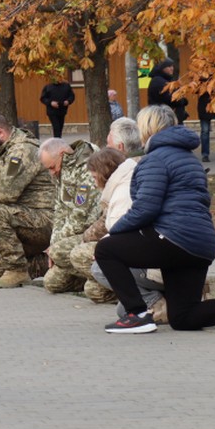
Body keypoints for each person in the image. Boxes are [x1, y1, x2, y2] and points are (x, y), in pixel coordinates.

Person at [95, 105, 215, 333]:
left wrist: (115, 232)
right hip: (199, 244)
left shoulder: (155, 159)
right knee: (184, 317)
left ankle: (137, 315)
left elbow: (145, 208)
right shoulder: (189, 158)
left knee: (106, 249)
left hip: (174, 238)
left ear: (147, 128)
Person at [0, 110, 54, 288]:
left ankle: (17, 270)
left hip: (44, 219)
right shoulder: (1, 152)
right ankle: (46, 262)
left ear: (0, 132)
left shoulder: (22, 151)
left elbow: (7, 192)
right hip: (22, 218)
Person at [67, 117, 146, 305]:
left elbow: (113, 224)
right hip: (128, 244)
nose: (104, 147)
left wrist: (95, 243)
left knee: (78, 255)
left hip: (139, 251)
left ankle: (146, 297)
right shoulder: (130, 171)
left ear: (119, 147)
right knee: (93, 288)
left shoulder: (125, 182)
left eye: (108, 145)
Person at [37, 137, 101, 294]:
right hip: (72, 236)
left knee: (58, 252)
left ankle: (101, 280)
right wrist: (54, 242)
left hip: (91, 232)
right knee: (52, 283)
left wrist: (56, 247)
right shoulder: (63, 168)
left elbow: (80, 216)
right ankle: (84, 277)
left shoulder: (86, 166)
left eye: (52, 167)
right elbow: (60, 210)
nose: (52, 173)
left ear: (62, 153)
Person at [146, 58, 187, 123]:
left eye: (172, 66)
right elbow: (170, 98)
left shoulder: (166, 80)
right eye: (168, 66)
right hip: (164, 118)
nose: (172, 68)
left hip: (169, 117)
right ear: (162, 68)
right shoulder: (158, 81)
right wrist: (182, 100)